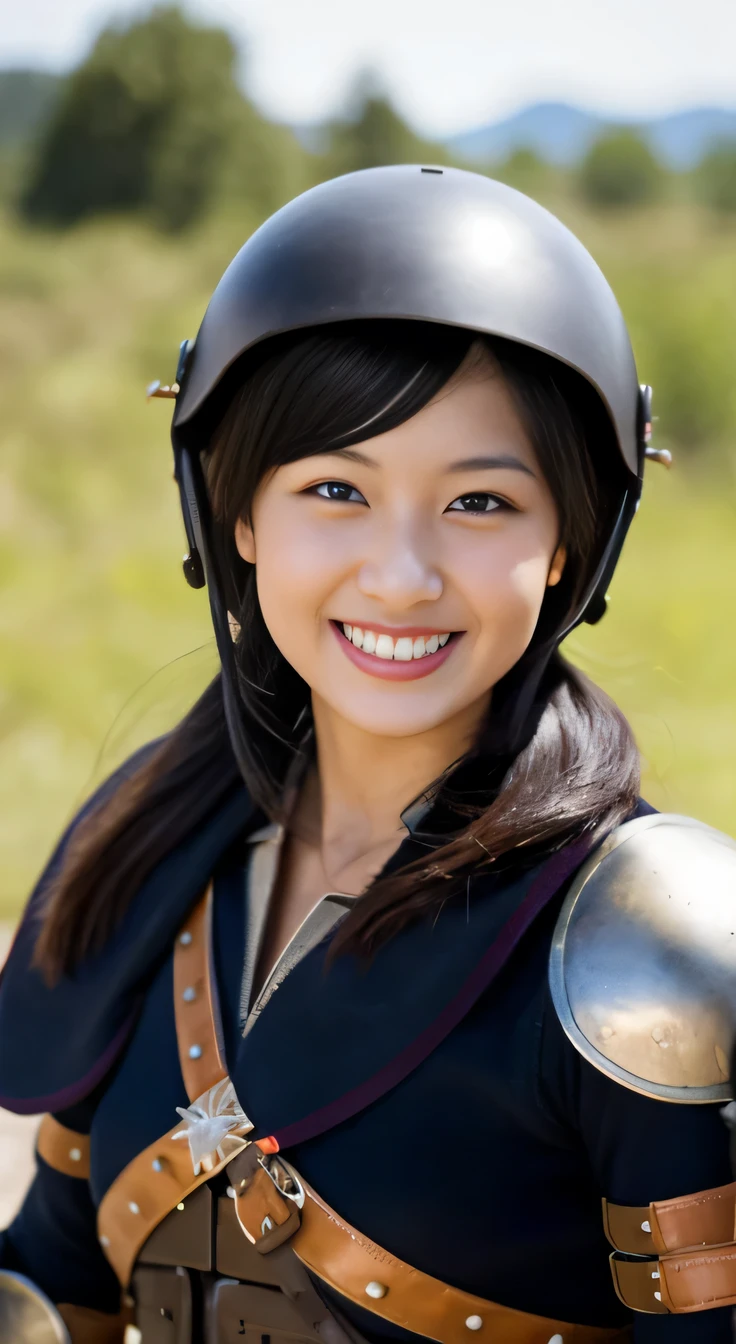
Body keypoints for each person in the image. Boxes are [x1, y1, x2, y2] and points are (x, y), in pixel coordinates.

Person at [1, 165, 735, 1344]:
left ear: (570, 544)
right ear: (235, 518)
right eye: (334, 488)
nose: (400, 573)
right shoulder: (152, 843)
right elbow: (48, 1278)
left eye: (481, 502)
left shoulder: (651, 948)